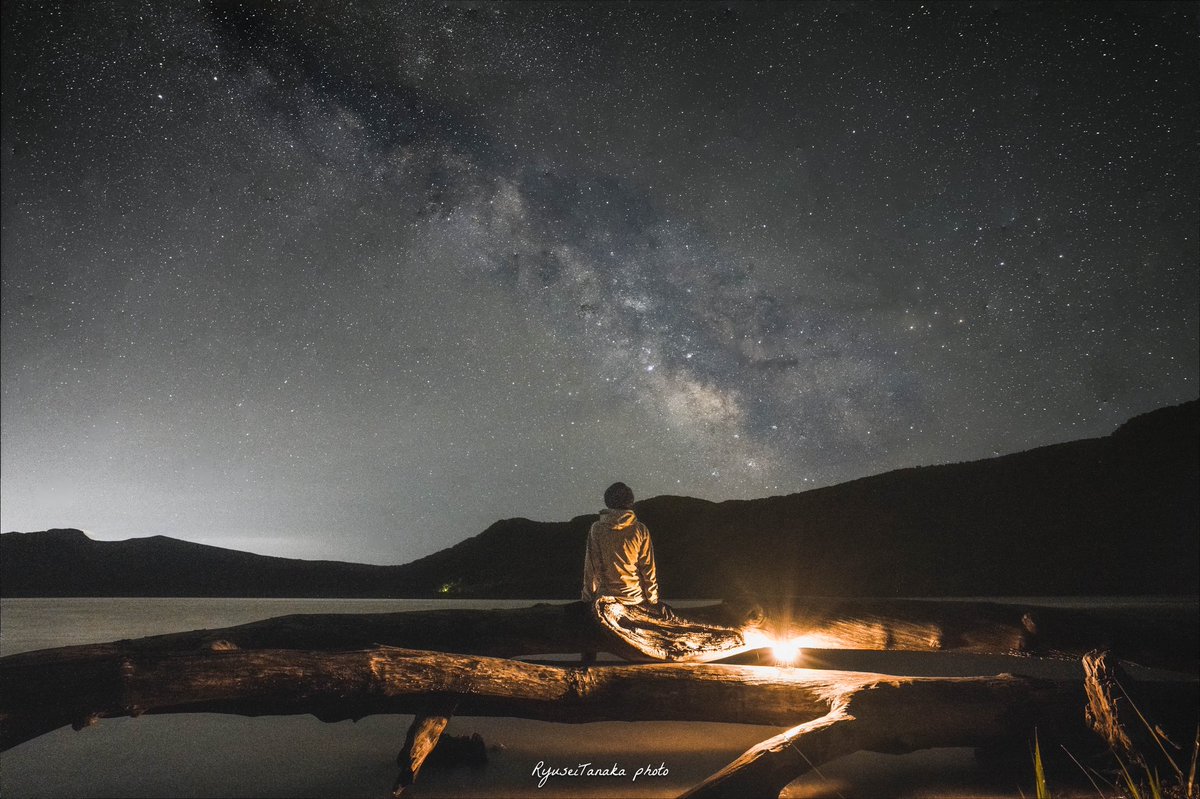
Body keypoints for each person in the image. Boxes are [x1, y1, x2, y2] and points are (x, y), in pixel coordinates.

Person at [581, 482, 676, 620]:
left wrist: (586, 599)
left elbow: (591, 568)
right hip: (635, 598)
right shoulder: (640, 529)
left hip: (606, 598)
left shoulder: (597, 529)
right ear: (630, 502)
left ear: (608, 501)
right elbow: (648, 570)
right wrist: (653, 601)